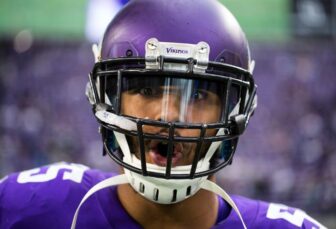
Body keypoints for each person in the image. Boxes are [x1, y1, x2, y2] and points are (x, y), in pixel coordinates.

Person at [0, 0, 327, 228]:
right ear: (107, 98)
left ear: (236, 110)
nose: (169, 114)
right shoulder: (29, 207)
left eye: (197, 94)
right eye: (146, 90)